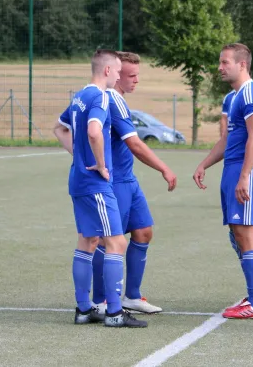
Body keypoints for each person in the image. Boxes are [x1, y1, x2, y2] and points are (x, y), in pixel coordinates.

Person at [53, 49, 147, 328]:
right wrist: (101, 164)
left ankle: (84, 309)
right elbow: (94, 131)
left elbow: (60, 128)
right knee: (116, 242)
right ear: (107, 71)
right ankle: (115, 312)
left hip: (78, 181)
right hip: (95, 184)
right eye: (117, 71)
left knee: (87, 241)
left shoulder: (79, 96)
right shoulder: (101, 97)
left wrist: (80, 158)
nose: (119, 76)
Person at [88, 51, 178, 315]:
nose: (136, 80)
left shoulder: (119, 100)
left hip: (129, 179)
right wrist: (164, 168)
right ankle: (101, 300)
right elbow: (135, 144)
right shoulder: (111, 99)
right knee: (107, 241)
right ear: (115, 75)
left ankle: (132, 296)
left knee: (143, 232)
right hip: (114, 182)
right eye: (131, 75)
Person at [192, 43, 253, 319]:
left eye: (225, 62)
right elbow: (227, 139)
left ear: (242, 65)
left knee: (246, 236)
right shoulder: (236, 97)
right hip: (232, 169)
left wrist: (245, 176)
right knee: (237, 236)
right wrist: (204, 164)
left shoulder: (251, 94)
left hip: (243, 171)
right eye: (220, 62)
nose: (220, 67)